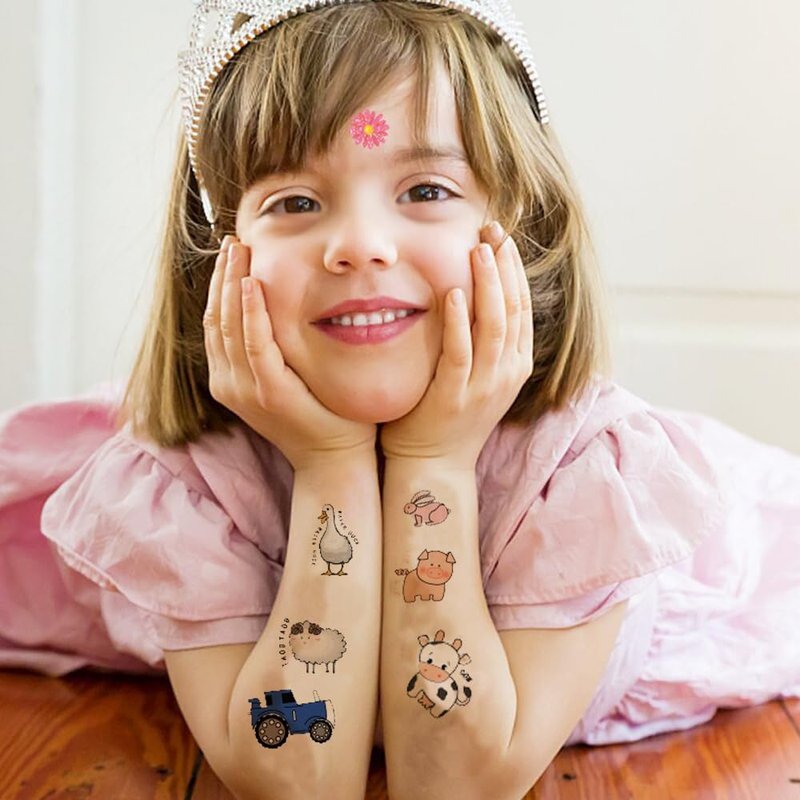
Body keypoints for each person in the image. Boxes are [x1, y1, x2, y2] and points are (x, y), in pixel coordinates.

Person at [1, 2, 799, 798]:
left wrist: (433, 462)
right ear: (222, 257)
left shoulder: (584, 474)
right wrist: (331, 466)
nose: (360, 246)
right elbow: (296, 783)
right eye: (295, 203)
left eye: (425, 189)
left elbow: (454, 784)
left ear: (517, 230)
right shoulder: (187, 485)